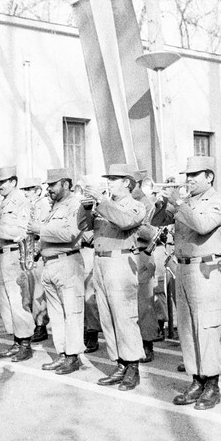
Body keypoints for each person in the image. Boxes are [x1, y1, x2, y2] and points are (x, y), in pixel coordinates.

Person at [151, 156, 221, 409]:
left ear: (210, 177)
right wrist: (163, 204)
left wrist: (177, 202)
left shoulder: (218, 201)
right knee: (187, 328)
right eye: (188, 175)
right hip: (183, 269)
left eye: (196, 175)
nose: (189, 179)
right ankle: (196, 379)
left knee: (206, 327)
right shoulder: (186, 202)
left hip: (205, 269)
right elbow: (157, 221)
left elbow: (201, 224)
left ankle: (212, 385)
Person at [79, 164, 146, 390]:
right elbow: (82, 227)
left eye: (114, 179)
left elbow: (125, 222)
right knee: (107, 316)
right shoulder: (104, 205)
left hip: (120, 261)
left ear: (127, 182)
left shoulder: (135, 206)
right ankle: (119, 363)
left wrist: (102, 202)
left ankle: (132, 367)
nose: (109, 183)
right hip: (100, 261)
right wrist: (87, 208)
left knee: (124, 316)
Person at [30, 168, 84, 374]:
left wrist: (39, 230)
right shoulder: (55, 206)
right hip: (51, 262)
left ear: (66, 184)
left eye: (53, 185)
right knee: (56, 314)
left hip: (67, 262)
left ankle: (73, 356)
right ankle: (62, 353)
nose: (49, 189)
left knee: (72, 312)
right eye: (48, 185)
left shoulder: (76, 205)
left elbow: (71, 233)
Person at [0, 166, 36, 361]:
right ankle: (16, 341)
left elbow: (21, 231)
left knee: (18, 300)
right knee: (6, 301)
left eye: (3, 182)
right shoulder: (5, 202)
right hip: (3, 253)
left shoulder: (21, 201)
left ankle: (25, 343)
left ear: (13, 182)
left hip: (14, 254)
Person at [133, 170, 163, 363]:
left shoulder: (146, 204)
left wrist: (128, 222)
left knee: (144, 305)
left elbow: (151, 232)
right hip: (127, 255)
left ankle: (147, 344)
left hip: (142, 255)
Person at [21, 177, 51, 343]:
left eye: (29, 189)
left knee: (38, 292)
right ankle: (37, 324)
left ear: (37, 190)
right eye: (24, 190)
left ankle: (41, 325)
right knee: (31, 291)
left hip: (38, 253)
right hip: (30, 251)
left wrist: (35, 252)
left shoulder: (43, 205)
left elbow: (43, 231)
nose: (25, 193)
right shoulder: (31, 205)